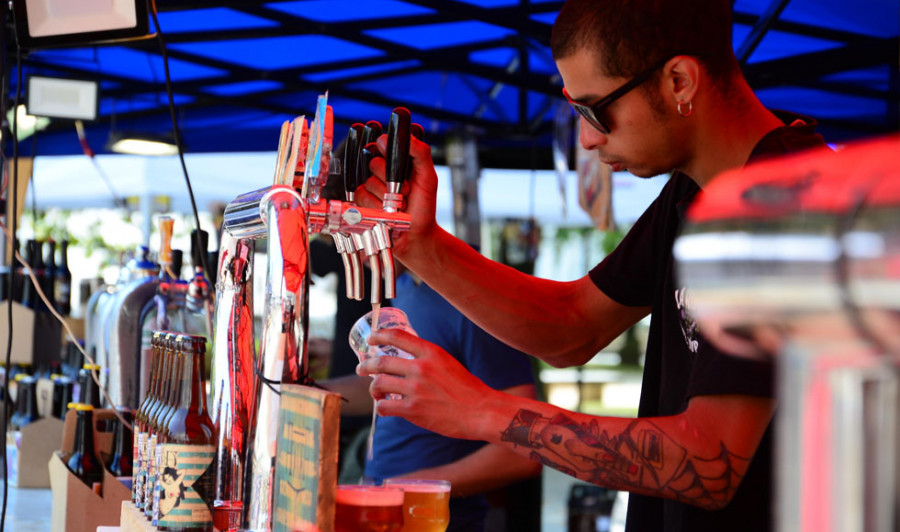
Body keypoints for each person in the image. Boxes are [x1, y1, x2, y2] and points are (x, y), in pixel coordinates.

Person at [353, 1, 828, 531]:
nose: (588, 138)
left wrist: (482, 410)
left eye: (595, 110)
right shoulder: (695, 193)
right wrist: (420, 244)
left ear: (679, 82)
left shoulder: (789, 204)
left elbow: (708, 464)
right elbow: (571, 325)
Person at [324, 265, 541, 531]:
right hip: (383, 509)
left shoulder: (470, 300)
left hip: (440, 518)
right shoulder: (403, 286)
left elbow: (525, 453)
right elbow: (395, 382)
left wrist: (400, 488)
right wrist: (312, 389)